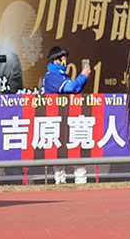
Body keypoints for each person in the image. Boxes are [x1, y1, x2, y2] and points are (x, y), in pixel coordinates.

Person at [43, 46, 91, 184]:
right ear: (55, 60)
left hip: (69, 120)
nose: (65, 60)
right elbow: (69, 88)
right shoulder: (52, 75)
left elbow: (74, 89)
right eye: (62, 58)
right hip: (56, 120)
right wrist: (82, 76)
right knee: (59, 153)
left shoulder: (61, 75)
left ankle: (81, 181)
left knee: (76, 149)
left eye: (65, 57)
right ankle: (60, 183)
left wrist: (83, 78)